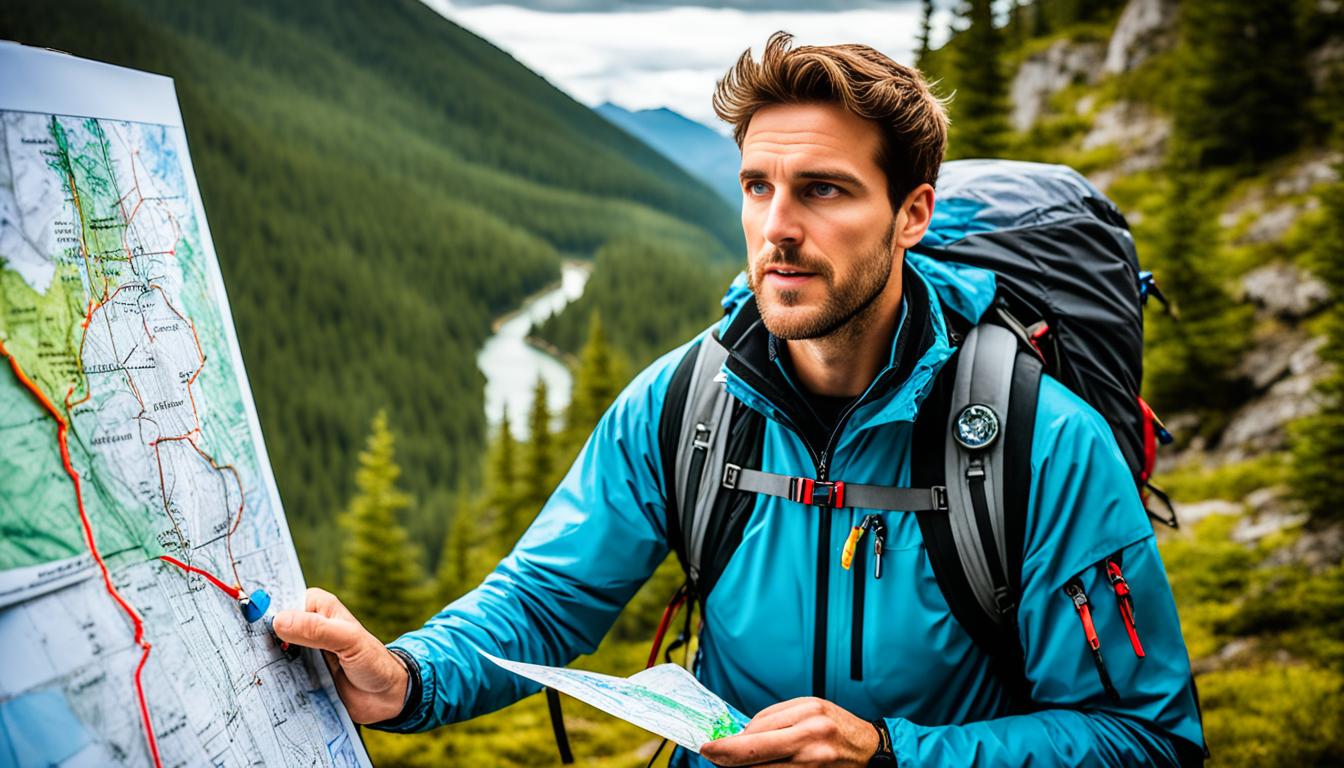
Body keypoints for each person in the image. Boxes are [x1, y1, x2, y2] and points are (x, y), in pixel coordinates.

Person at [273, 32, 1206, 767]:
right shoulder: (686, 402)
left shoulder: (1040, 441)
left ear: (912, 215)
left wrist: (889, 754)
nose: (778, 229)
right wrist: (407, 678)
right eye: (758, 185)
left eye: (825, 190)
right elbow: (549, 593)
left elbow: (1147, 738)